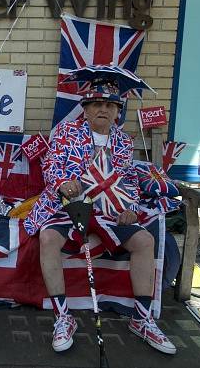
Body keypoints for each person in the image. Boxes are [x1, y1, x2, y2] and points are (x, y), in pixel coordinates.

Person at [24, 78, 176, 355]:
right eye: (96, 104)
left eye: (109, 105)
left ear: (118, 111)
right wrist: (61, 184)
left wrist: (131, 206)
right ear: (86, 108)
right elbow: (52, 165)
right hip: (68, 206)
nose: (102, 109)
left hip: (109, 209)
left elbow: (128, 178)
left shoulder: (122, 140)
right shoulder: (67, 132)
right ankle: (63, 317)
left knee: (143, 240)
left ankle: (141, 319)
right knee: (47, 237)